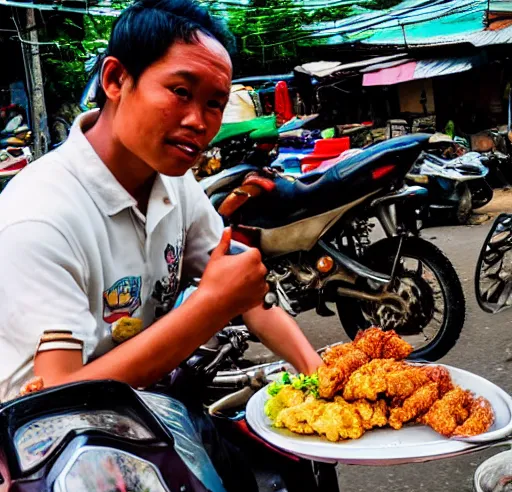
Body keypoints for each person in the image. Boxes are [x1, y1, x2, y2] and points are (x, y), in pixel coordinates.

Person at [0, 0, 322, 402]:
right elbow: (57, 397)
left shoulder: (173, 182)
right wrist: (209, 307)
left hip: (142, 414)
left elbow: (242, 286)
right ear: (115, 79)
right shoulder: (39, 219)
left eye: (214, 104)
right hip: (42, 446)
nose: (198, 122)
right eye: (180, 92)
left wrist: (319, 374)